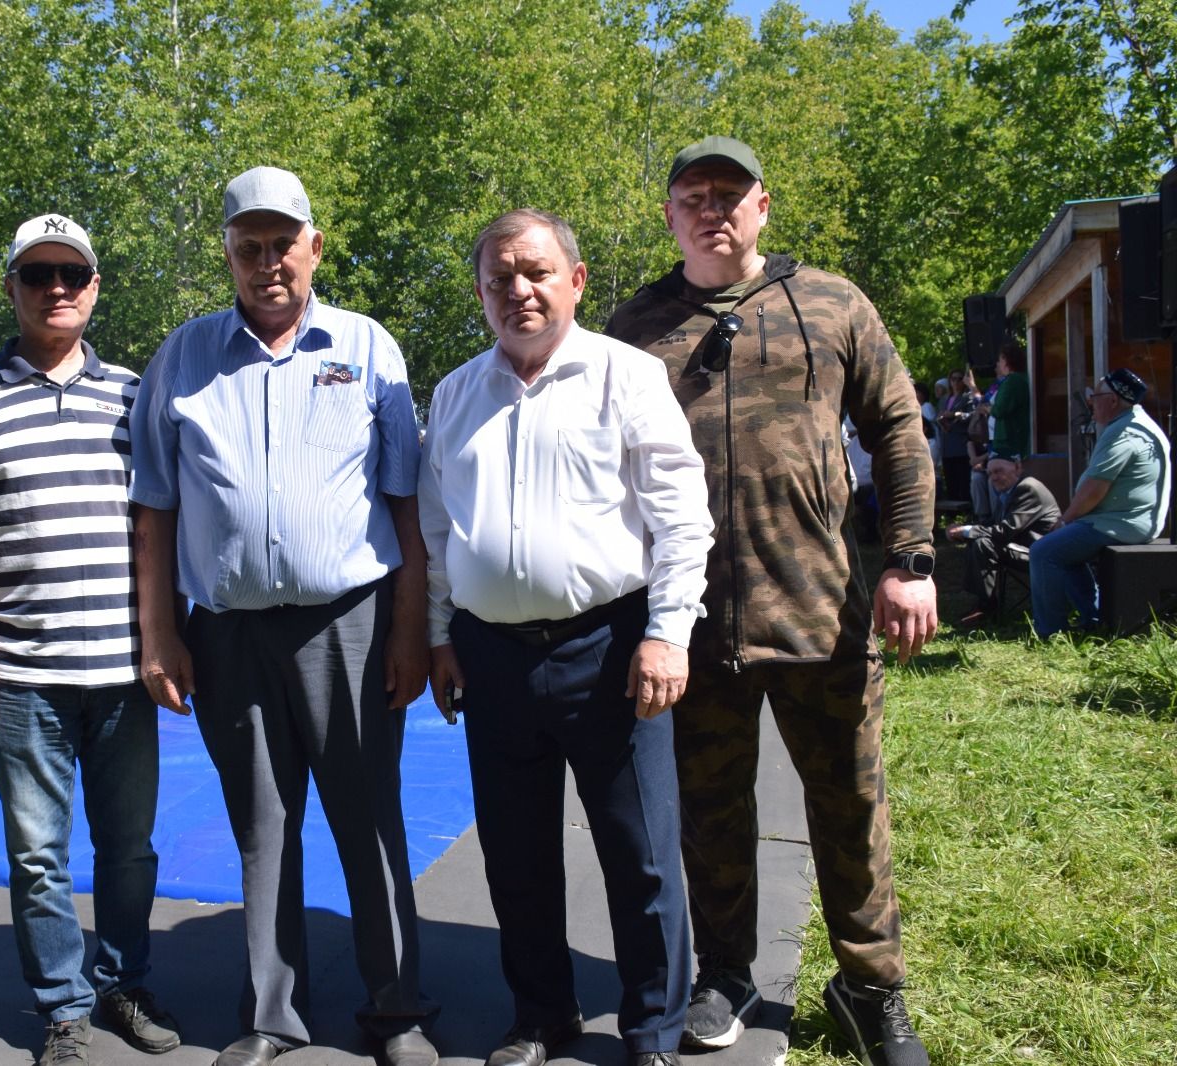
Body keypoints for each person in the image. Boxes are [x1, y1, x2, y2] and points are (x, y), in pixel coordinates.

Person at [605, 136, 936, 1066]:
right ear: (669, 215)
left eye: (730, 194)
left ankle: (871, 986)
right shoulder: (636, 327)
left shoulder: (831, 304)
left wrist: (909, 559)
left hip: (821, 612)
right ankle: (726, 972)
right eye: (692, 195)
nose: (712, 208)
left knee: (848, 809)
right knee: (710, 815)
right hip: (688, 626)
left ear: (762, 207)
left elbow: (900, 430)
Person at [131, 167, 437, 1066]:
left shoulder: (370, 348)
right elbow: (154, 510)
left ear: (313, 246)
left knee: (368, 816)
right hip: (226, 631)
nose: (267, 263)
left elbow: (408, 505)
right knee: (263, 829)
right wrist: (160, 634)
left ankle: (398, 1009)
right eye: (247, 247)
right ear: (227, 252)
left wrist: (414, 630)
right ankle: (272, 1017)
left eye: (282, 244)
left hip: (352, 622)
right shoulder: (182, 359)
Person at [421, 210, 712, 1066]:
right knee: (515, 857)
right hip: (490, 655)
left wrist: (668, 634)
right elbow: (438, 534)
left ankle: (653, 1026)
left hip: (612, 649)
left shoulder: (625, 376)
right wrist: (440, 636)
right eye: (500, 277)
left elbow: (681, 516)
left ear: (575, 282)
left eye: (537, 272)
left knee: (642, 854)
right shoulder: (456, 393)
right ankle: (542, 1016)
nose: (519, 290)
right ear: (480, 292)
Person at [0, 213, 181, 1066]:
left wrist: (164, 639)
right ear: (12, 287)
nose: (56, 287)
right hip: (19, 674)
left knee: (130, 850)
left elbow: (155, 528)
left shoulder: (135, 393)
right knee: (36, 856)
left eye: (72, 273)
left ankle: (123, 983)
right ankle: (64, 1007)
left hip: (123, 670)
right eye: (38, 274)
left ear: (96, 286)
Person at [1030, 368, 1171, 638]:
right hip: (1125, 519)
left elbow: (1095, 489)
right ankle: (1093, 619)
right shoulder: (1134, 424)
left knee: (1043, 552)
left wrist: (1066, 519)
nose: (1091, 401)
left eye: (1095, 395)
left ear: (1113, 401)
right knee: (1066, 556)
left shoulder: (1125, 433)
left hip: (1122, 523)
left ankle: (1050, 633)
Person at [945, 454, 1061, 626]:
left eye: (999, 471)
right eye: (990, 474)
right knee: (978, 539)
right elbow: (993, 523)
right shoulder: (1009, 490)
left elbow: (1006, 530)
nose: (994, 478)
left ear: (1017, 467)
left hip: (1040, 553)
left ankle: (987, 608)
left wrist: (967, 531)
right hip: (1023, 547)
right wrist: (962, 529)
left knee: (982, 543)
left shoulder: (1027, 488)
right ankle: (983, 603)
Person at [937, 367, 974, 503]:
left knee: (963, 481)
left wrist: (954, 414)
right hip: (947, 445)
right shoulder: (943, 399)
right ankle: (952, 516)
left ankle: (967, 512)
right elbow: (938, 416)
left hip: (961, 446)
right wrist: (941, 421)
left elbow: (973, 415)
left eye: (959, 379)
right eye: (953, 379)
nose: (956, 382)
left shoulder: (968, 397)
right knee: (951, 482)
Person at [991, 343, 1030, 459]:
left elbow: (999, 410)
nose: (998, 364)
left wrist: (988, 408)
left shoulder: (1013, 381)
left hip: (1008, 441)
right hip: (1013, 439)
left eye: (1000, 360)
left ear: (1006, 360)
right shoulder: (1020, 379)